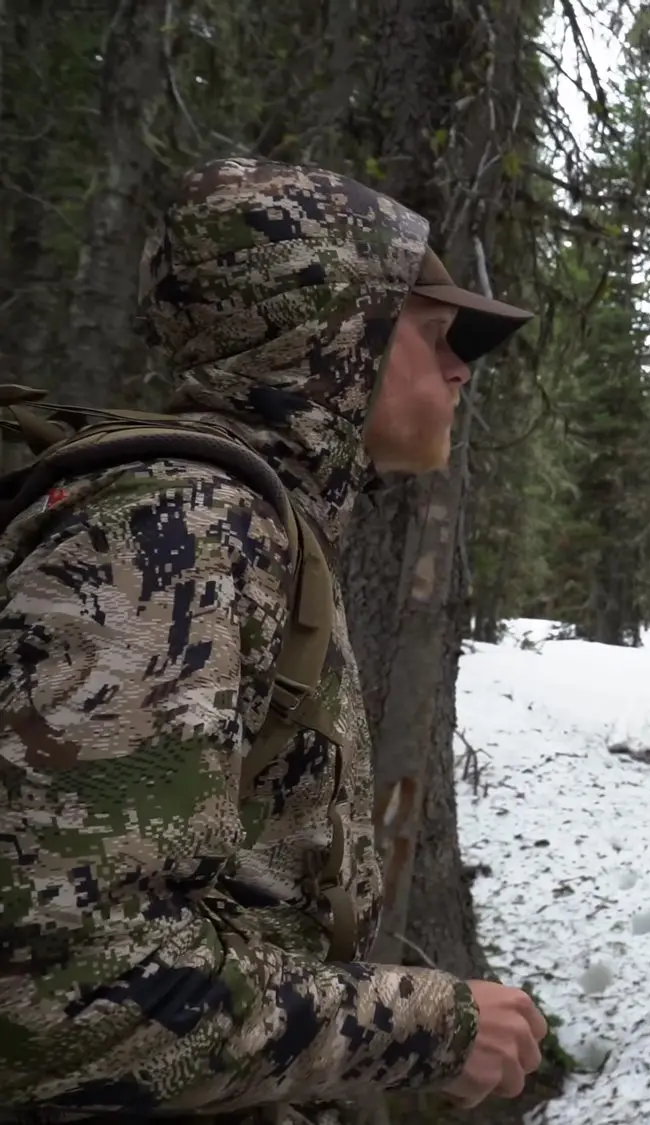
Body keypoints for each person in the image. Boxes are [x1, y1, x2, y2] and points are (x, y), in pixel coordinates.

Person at [0, 158, 549, 1122]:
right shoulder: (185, 534)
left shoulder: (250, 530)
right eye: (438, 332)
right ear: (335, 337)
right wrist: (424, 1026)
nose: (463, 366)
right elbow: (54, 992)